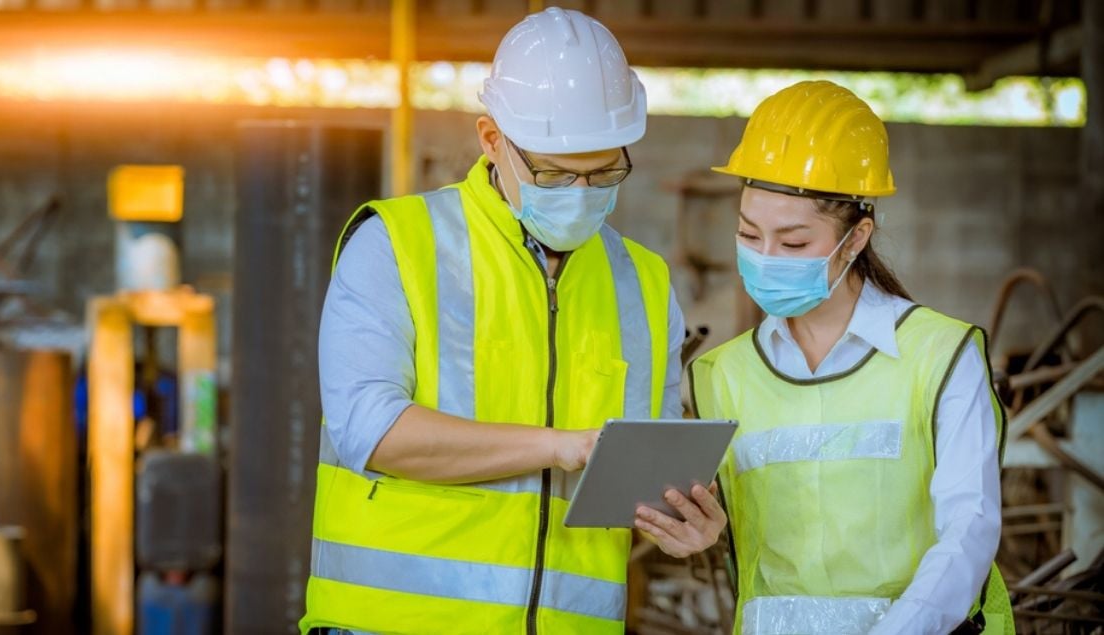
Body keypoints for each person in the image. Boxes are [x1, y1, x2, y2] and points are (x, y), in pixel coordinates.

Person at [299, 7, 726, 634]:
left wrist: (686, 524)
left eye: (605, 171)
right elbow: (373, 430)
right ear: (492, 139)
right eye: (554, 173)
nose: (581, 192)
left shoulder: (644, 283)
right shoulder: (396, 244)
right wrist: (561, 447)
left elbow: (644, 470)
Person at [689, 80, 1014, 635]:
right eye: (749, 233)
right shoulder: (722, 374)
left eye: (793, 244)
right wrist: (705, 532)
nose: (766, 259)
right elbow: (751, 538)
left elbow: (970, 529)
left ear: (857, 237)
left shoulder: (938, 355)